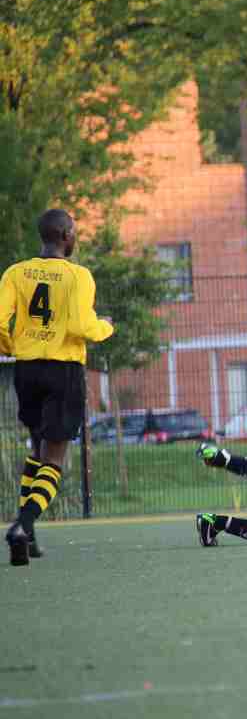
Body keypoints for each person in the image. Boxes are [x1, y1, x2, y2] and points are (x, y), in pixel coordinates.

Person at [0, 209, 114, 566]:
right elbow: (81, 326)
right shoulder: (78, 276)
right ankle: (21, 527)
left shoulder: (16, 273)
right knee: (54, 459)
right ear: (66, 235)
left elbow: (0, 321)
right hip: (63, 370)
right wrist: (106, 327)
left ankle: (29, 537)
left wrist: (11, 346)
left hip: (27, 368)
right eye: (74, 231)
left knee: (37, 448)